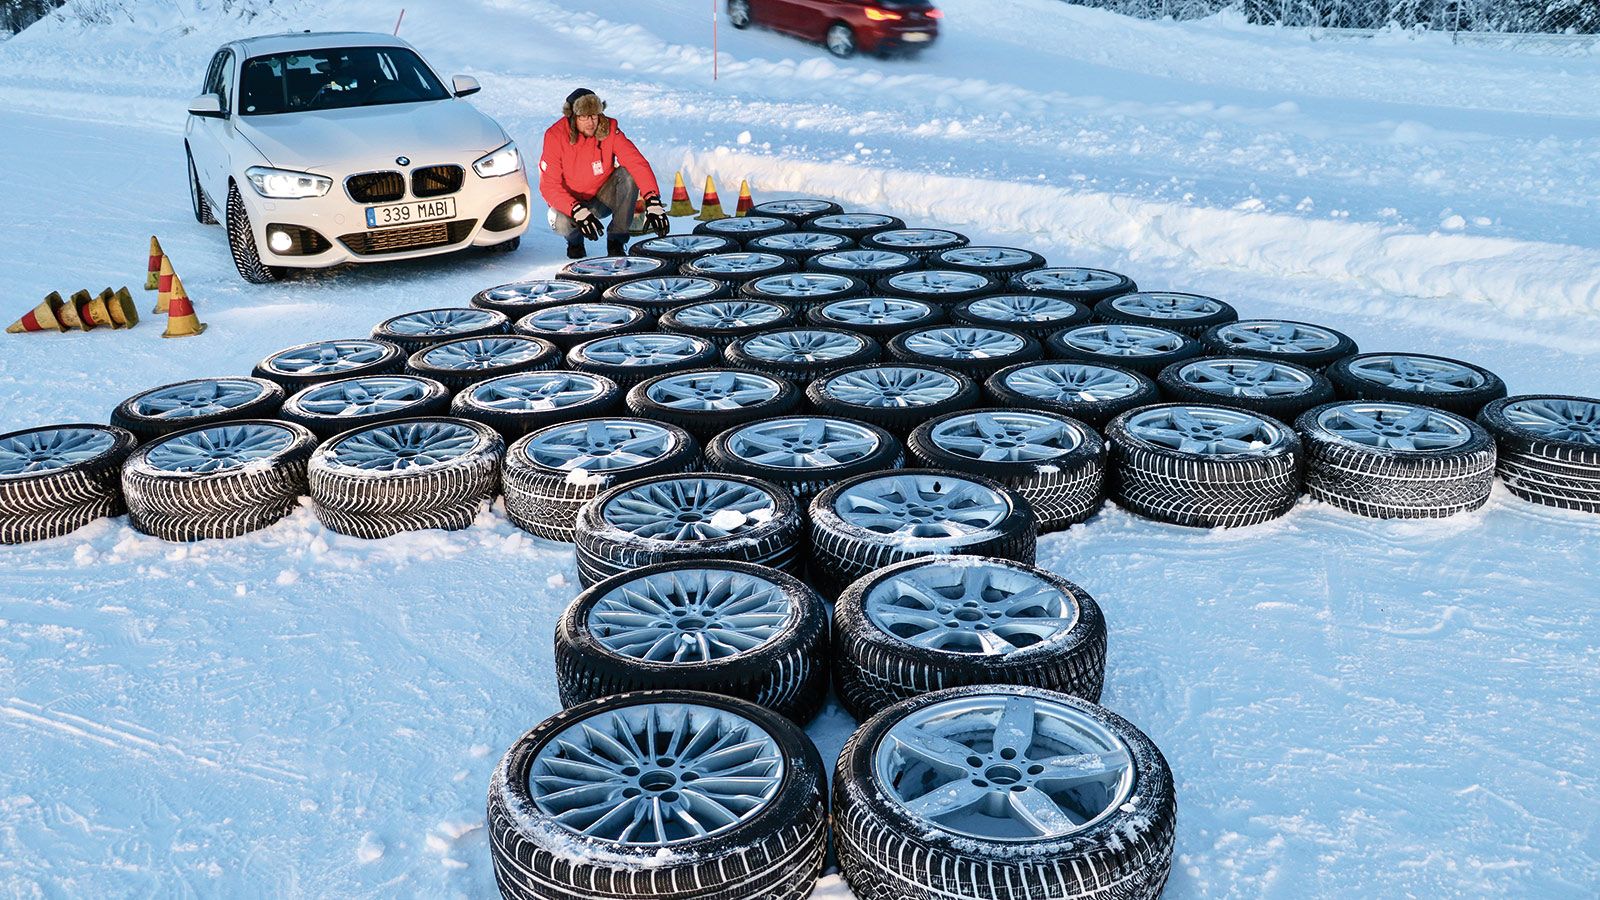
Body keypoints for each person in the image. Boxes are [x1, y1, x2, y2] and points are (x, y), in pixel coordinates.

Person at [539, 88, 669, 259]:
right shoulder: (555, 136)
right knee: (560, 221)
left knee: (628, 174)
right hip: (570, 207)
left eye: (594, 115)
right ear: (572, 117)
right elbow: (549, 186)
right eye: (584, 117)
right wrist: (577, 211)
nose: (591, 122)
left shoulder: (609, 129)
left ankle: (616, 240)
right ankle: (575, 241)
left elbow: (636, 163)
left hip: (600, 199)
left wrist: (653, 200)